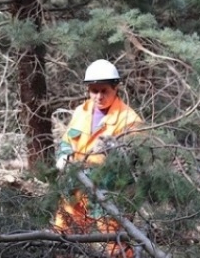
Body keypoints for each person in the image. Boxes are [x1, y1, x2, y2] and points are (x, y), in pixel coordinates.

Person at [54, 59, 142, 258]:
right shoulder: (81, 112)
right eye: (94, 90)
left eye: (104, 91)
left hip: (110, 191)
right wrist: (64, 155)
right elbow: (68, 140)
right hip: (75, 186)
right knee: (62, 236)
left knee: (114, 243)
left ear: (115, 88)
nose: (98, 96)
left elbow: (127, 160)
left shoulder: (129, 120)